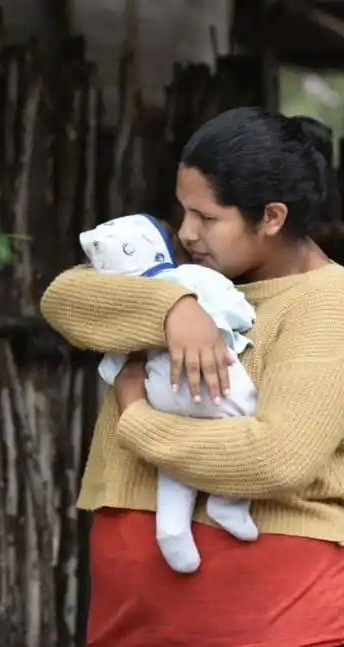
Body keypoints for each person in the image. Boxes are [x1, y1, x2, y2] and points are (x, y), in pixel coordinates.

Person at [40, 106, 344, 647]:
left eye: (207, 217)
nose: (186, 231)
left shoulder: (328, 304)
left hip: (279, 628)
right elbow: (65, 299)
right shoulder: (184, 274)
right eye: (183, 211)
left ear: (271, 217)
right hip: (134, 624)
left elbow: (276, 458)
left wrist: (137, 421)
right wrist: (173, 307)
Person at [80, 213, 260, 574]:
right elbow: (236, 309)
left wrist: (126, 386)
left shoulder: (127, 303)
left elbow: (116, 359)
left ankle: (172, 529)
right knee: (243, 412)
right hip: (206, 380)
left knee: (171, 456)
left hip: (154, 386)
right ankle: (228, 500)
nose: (188, 231)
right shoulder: (191, 280)